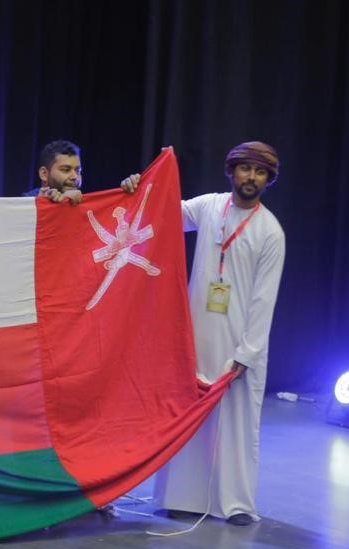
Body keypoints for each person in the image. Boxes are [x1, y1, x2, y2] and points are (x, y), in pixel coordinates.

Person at [121, 141, 285, 526]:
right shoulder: (211, 206)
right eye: (245, 169)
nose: (251, 177)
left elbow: (264, 300)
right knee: (188, 416)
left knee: (236, 423)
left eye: (260, 172)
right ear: (232, 171)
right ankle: (182, 498)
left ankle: (236, 504)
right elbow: (163, 211)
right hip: (195, 336)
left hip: (239, 345)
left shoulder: (270, 232)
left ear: (268, 180)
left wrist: (246, 354)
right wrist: (138, 187)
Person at [23, 139, 83, 205]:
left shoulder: (84, 203)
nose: (75, 176)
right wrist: (43, 203)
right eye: (66, 170)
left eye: (78, 171)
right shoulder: (24, 204)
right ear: (44, 174)